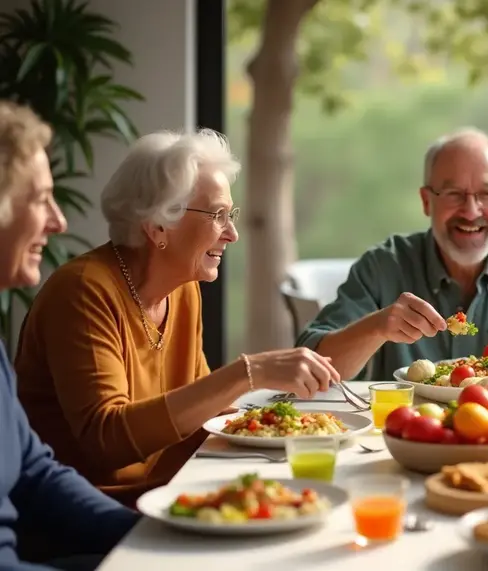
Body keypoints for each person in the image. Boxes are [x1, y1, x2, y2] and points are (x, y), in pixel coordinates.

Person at [15, 128, 339, 507]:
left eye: (229, 215)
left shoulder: (182, 289)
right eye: (217, 215)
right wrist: (248, 372)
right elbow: (107, 441)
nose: (232, 233)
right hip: (94, 514)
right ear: (158, 228)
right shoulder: (84, 291)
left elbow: (202, 412)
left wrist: (288, 427)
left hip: (172, 493)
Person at [296, 127, 488, 380]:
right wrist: (376, 327)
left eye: (487, 193)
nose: (471, 211)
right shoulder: (383, 267)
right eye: (453, 194)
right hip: (405, 439)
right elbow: (310, 367)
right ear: (426, 201)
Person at [0, 101, 140, 571]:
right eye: (40, 199)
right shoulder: (84, 290)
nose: (59, 222)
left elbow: (35, 473)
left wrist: (156, 537)